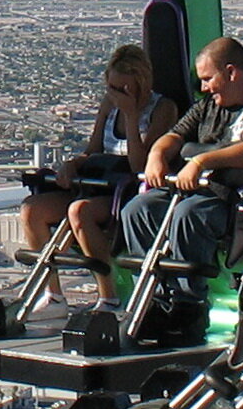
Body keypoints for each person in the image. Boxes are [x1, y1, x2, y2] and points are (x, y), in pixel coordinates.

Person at [117, 34, 243, 336]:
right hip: (195, 191)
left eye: (208, 79)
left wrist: (202, 162)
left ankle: (188, 304)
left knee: (191, 214)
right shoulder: (208, 108)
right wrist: (157, 154)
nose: (204, 88)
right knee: (139, 209)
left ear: (232, 72)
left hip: (241, 201)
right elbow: (175, 136)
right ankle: (153, 295)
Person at [21, 41, 175, 306]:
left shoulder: (163, 109)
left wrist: (130, 116)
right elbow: (94, 149)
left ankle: (108, 294)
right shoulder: (109, 105)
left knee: (80, 211)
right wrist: (73, 164)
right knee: (32, 209)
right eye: (112, 88)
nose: (116, 94)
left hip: (127, 190)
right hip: (96, 181)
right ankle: (53, 294)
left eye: (123, 89)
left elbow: (141, 166)